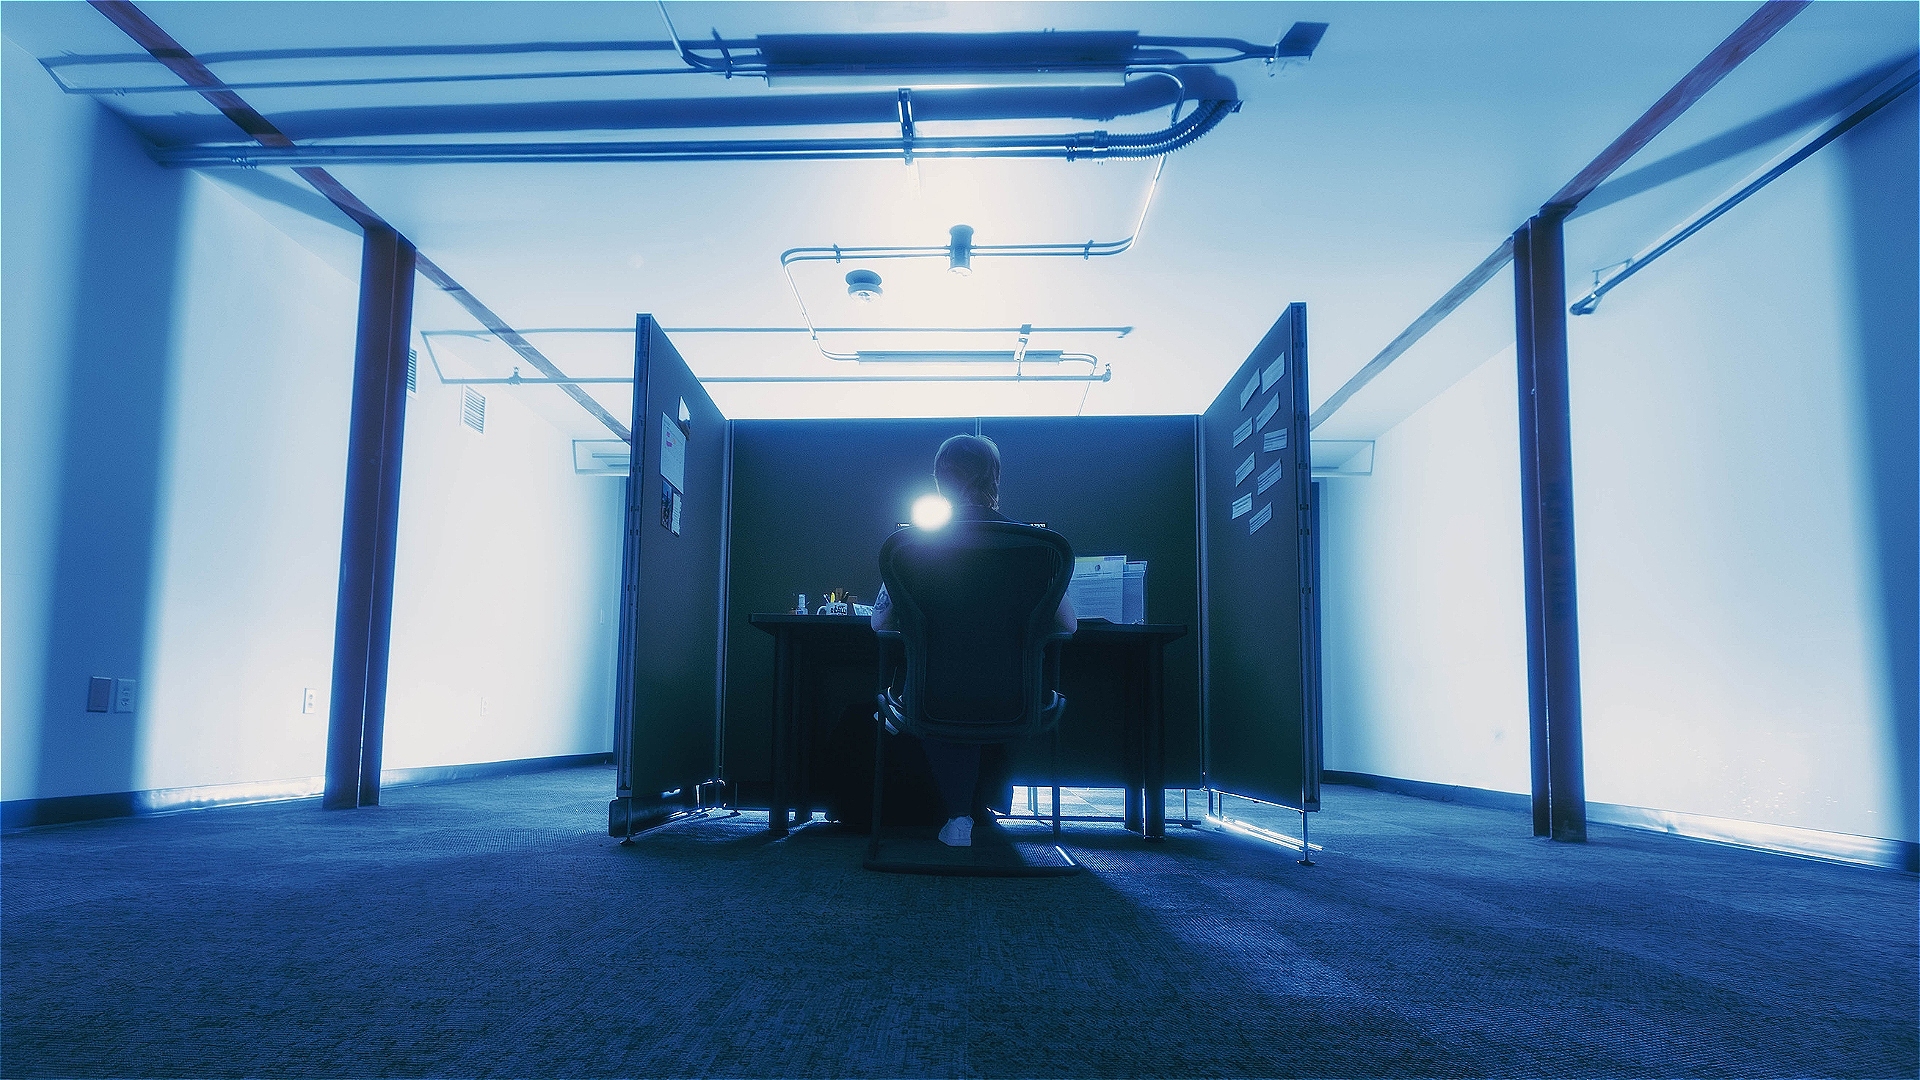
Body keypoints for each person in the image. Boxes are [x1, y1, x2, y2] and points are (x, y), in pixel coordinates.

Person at [870, 434, 1075, 847]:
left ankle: (958, 817)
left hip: (934, 696)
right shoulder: (1035, 547)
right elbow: (1067, 625)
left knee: (938, 692)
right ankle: (982, 810)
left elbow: (880, 626)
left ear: (940, 481)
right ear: (996, 479)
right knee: (984, 692)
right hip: (1015, 697)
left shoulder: (912, 546)